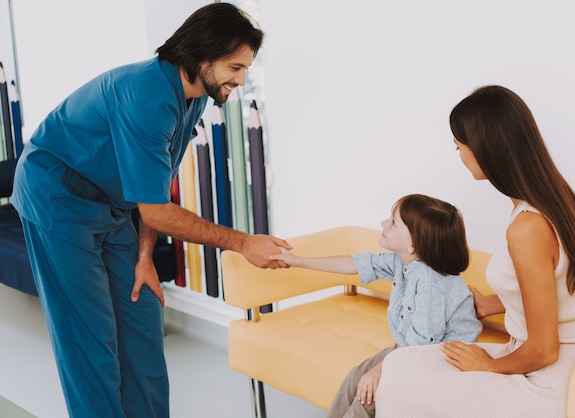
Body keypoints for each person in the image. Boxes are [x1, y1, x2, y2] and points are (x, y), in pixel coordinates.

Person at [11, 4, 291, 417]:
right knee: (91, 340)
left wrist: (145, 257)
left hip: (111, 207)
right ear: (202, 57)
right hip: (57, 201)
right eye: (235, 67)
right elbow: (158, 212)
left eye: (246, 68)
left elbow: (158, 190)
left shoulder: (194, 95)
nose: (242, 80)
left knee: (142, 319)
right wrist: (243, 242)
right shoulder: (146, 96)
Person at [374, 85, 575, 418]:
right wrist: (489, 304)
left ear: (484, 149)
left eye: (459, 147)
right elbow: (554, 291)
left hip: (545, 382)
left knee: (397, 382)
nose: (460, 156)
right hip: (539, 359)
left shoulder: (526, 228)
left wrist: (489, 366)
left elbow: (545, 349)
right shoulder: (554, 201)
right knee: (399, 362)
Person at [271, 194, 482, 418]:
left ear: (413, 244)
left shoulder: (432, 283)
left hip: (441, 360)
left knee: (369, 396)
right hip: (409, 349)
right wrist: (298, 260)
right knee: (355, 378)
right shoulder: (403, 262)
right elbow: (355, 264)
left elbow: (422, 346)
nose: (383, 224)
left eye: (393, 222)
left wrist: (378, 371)